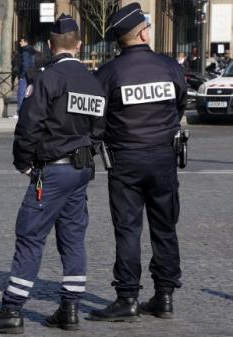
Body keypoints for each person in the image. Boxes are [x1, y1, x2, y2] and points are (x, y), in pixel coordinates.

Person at [0, 14, 105, 334]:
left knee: (30, 236)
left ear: (50, 45)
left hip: (54, 170)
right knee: (73, 238)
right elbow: (100, 129)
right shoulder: (93, 82)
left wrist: (23, 162)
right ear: (79, 44)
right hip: (82, 169)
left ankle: (12, 310)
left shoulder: (48, 78)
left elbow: (29, 125)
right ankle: (70, 308)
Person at [88, 2, 187, 323]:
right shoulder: (169, 66)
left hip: (125, 161)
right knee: (165, 228)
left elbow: (95, 121)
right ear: (143, 32)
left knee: (128, 230)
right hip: (163, 158)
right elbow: (181, 103)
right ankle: (165, 296)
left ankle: (127, 298)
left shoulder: (108, 73)